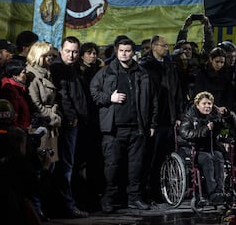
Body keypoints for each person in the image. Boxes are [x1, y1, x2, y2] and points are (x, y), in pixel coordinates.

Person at [90, 37, 157, 213]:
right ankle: (108, 200)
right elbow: (93, 92)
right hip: (114, 130)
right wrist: (109, 98)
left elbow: (153, 99)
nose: (125, 53)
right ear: (116, 51)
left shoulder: (142, 73)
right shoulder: (106, 72)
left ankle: (134, 199)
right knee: (111, 167)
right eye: (121, 50)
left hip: (137, 128)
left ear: (133, 52)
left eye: (128, 50)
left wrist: (152, 124)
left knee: (136, 167)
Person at [139, 35, 183, 203]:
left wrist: (178, 115)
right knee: (149, 158)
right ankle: (145, 192)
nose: (167, 48)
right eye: (164, 45)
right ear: (154, 46)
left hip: (169, 119)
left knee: (163, 158)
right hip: (152, 121)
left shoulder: (170, 66)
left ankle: (159, 192)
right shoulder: (145, 66)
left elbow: (177, 91)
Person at [50, 36, 89, 218]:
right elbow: (63, 96)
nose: (72, 55)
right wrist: (72, 117)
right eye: (68, 51)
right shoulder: (59, 69)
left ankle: (68, 204)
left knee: (70, 165)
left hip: (75, 124)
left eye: (75, 51)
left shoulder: (71, 69)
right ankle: (66, 206)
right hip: (67, 124)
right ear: (61, 50)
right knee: (66, 166)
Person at [178, 91, 236, 205]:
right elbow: (185, 133)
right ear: (197, 104)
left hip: (213, 149)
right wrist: (205, 130)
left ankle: (220, 192)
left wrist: (227, 114)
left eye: (210, 104)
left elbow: (232, 123)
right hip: (197, 151)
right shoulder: (189, 116)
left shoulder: (214, 114)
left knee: (219, 157)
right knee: (208, 158)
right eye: (204, 103)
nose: (207, 106)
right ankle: (212, 194)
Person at [26, 41, 62, 220]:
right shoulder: (32, 75)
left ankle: (41, 208)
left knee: (48, 169)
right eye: (48, 55)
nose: (50, 59)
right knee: (40, 170)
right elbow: (35, 104)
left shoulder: (46, 73)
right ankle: (35, 209)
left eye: (51, 56)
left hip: (51, 127)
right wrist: (53, 116)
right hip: (42, 128)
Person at [74, 41, 105, 211]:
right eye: (89, 52)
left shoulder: (99, 71)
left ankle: (94, 196)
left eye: (94, 52)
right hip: (83, 120)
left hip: (96, 120)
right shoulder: (78, 72)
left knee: (96, 161)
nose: (92, 55)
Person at [0, 59, 31, 131]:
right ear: (15, 75)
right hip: (16, 132)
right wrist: (22, 129)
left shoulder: (19, 89)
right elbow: (12, 117)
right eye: (24, 73)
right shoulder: (9, 90)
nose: (26, 76)